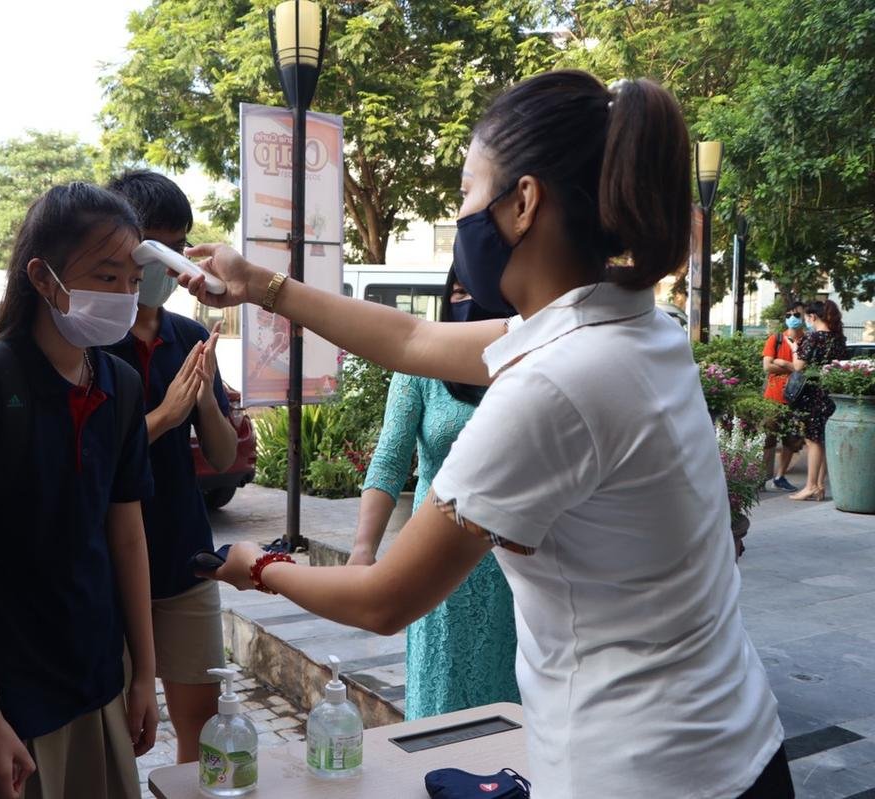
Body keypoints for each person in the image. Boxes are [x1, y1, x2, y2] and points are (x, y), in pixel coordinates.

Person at [180, 70, 791, 798]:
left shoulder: (554, 385)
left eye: (468, 192)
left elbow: (384, 600)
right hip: (740, 747)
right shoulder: (629, 326)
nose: (462, 213)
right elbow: (411, 338)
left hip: (643, 773)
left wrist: (255, 567)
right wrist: (262, 285)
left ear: (524, 201)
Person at [0, 182, 159, 799]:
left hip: (98, 677)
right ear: (42, 276)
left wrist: (144, 676)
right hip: (13, 696)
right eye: (106, 277)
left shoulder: (122, 385)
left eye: (133, 282)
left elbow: (128, 538)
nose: (124, 297)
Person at [104, 170, 239, 764]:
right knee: (112, 733)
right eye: (155, 246)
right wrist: (164, 415)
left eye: (179, 246)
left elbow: (223, 454)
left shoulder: (187, 335)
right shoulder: (87, 337)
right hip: (105, 570)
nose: (170, 264)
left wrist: (203, 395)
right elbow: (86, 460)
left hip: (186, 561)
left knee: (203, 726)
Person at [348, 268, 518, 719]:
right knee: (440, 709)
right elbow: (389, 460)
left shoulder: (524, 366)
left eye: (475, 292)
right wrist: (363, 550)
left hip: (514, 565)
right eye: (456, 293)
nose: (464, 304)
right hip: (436, 556)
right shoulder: (421, 367)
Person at [788, 299, 848, 502]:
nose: (806, 321)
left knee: (813, 441)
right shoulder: (839, 339)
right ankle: (820, 486)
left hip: (812, 394)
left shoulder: (813, 338)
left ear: (812, 317)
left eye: (806, 317)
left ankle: (811, 485)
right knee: (822, 439)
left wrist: (795, 347)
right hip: (830, 393)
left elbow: (798, 366)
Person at [761, 301, 807, 491]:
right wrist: (792, 366)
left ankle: (780, 476)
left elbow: (803, 369)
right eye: (788, 315)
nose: (792, 319)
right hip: (772, 398)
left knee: (792, 440)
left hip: (795, 399)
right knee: (767, 439)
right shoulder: (776, 339)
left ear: (804, 317)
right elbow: (767, 366)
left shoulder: (806, 341)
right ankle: (762, 479)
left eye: (796, 315)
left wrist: (783, 363)